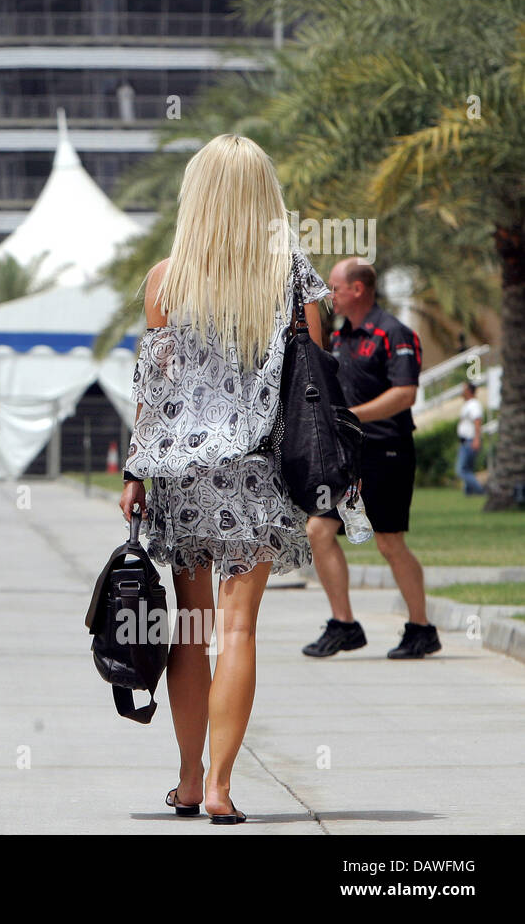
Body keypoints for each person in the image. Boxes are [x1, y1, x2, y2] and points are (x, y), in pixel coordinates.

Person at [120, 134, 329, 824]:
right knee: (238, 628)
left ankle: (185, 779)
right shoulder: (293, 278)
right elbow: (315, 381)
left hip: (182, 473)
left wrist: (134, 469)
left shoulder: (166, 279)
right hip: (259, 472)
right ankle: (219, 787)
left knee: (192, 624)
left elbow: (152, 388)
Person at [303, 258, 440, 660]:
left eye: (335, 287)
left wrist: (351, 416)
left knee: (389, 542)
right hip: (347, 457)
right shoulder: (340, 337)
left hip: (389, 452)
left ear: (358, 289)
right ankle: (344, 624)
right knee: (318, 531)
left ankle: (421, 628)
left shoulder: (394, 333)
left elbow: (405, 394)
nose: (330, 295)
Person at [456, 381, 486, 496]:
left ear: (468, 391)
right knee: (467, 468)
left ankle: (480, 491)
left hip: (470, 440)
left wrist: (476, 439)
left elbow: (477, 421)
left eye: (463, 389)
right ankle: (468, 492)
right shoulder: (468, 404)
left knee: (461, 470)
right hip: (465, 441)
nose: (461, 392)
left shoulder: (473, 404)